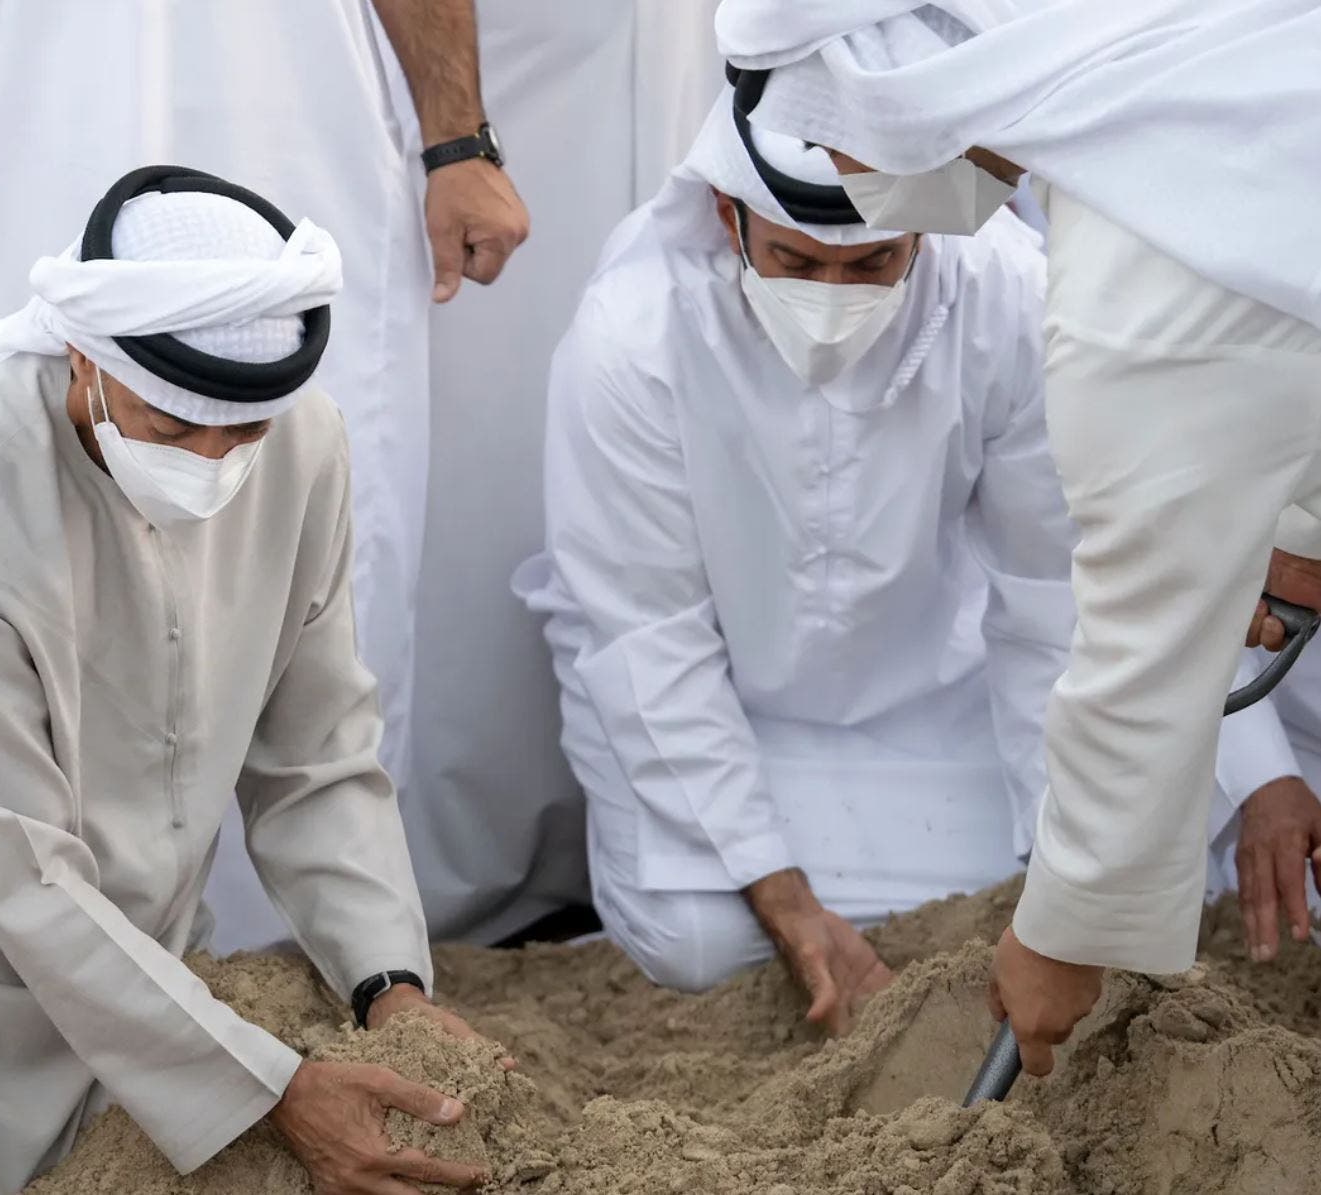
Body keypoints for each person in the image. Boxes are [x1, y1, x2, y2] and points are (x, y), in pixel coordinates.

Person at [0, 169, 497, 1195]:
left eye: (242, 431)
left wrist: (388, 984)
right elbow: (21, 876)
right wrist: (268, 1088)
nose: (214, 462)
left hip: (152, 986)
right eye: (173, 429)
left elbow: (316, 754)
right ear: (86, 356)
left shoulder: (301, 445)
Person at [516, 90, 1316, 1031]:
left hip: (941, 710)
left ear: (924, 236)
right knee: (699, 944)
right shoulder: (630, 334)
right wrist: (786, 902)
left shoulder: (1006, 293)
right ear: (729, 218)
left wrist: (1068, 880)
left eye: (870, 263)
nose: (830, 295)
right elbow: (648, 639)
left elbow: (1049, 593)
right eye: (795, 260)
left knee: (1121, 891)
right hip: (717, 712)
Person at [0, 0, 531, 951]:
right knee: (29, 558)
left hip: (303, 122)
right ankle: (81, 970)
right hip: (31, 134)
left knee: (300, 545)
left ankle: (328, 959)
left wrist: (459, 144)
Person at [713, 1, 1321, 1073]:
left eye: (840, 136)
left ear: (922, 87)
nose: (851, 180)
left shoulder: (1128, 275)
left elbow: (1142, 647)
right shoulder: (1170, 66)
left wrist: (1065, 940)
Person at [400, 0, 725, 947]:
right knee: (487, 469)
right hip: (502, 108)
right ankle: (474, 848)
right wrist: (456, 139)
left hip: (673, 88)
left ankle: (618, 830)